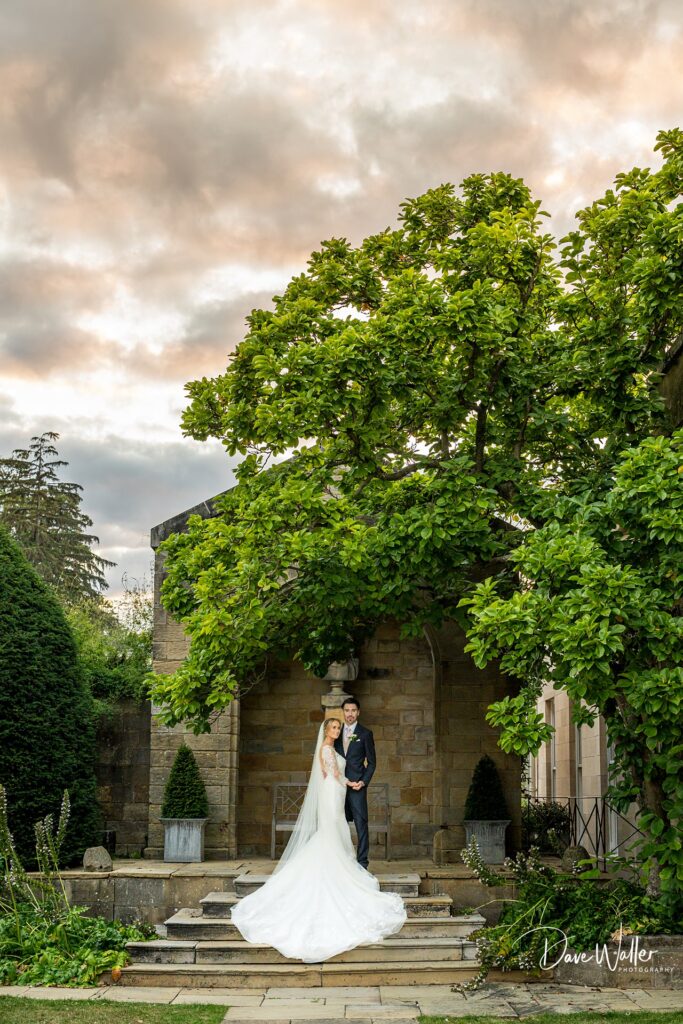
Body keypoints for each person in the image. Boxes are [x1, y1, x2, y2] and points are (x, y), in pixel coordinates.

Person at [230, 716, 406, 962]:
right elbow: (334, 774)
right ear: (326, 730)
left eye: (337, 727)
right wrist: (352, 783)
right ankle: (331, 870)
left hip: (334, 794)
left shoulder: (331, 748)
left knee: (333, 834)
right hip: (333, 794)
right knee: (332, 832)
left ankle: (333, 867)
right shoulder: (326, 749)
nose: (336, 730)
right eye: (333, 727)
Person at [333, 696, 375, 869]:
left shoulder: (365, 734)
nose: (350, 714)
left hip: (357, 787)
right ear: (343, 712)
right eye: (347, 710)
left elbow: (372, 763)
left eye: (353, 710)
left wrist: (363, 782)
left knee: (361, 823)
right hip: (338, 787)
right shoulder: (336, 733)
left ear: (358, 712)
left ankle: (362, 863)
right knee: (337, 823)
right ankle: (341, 862)